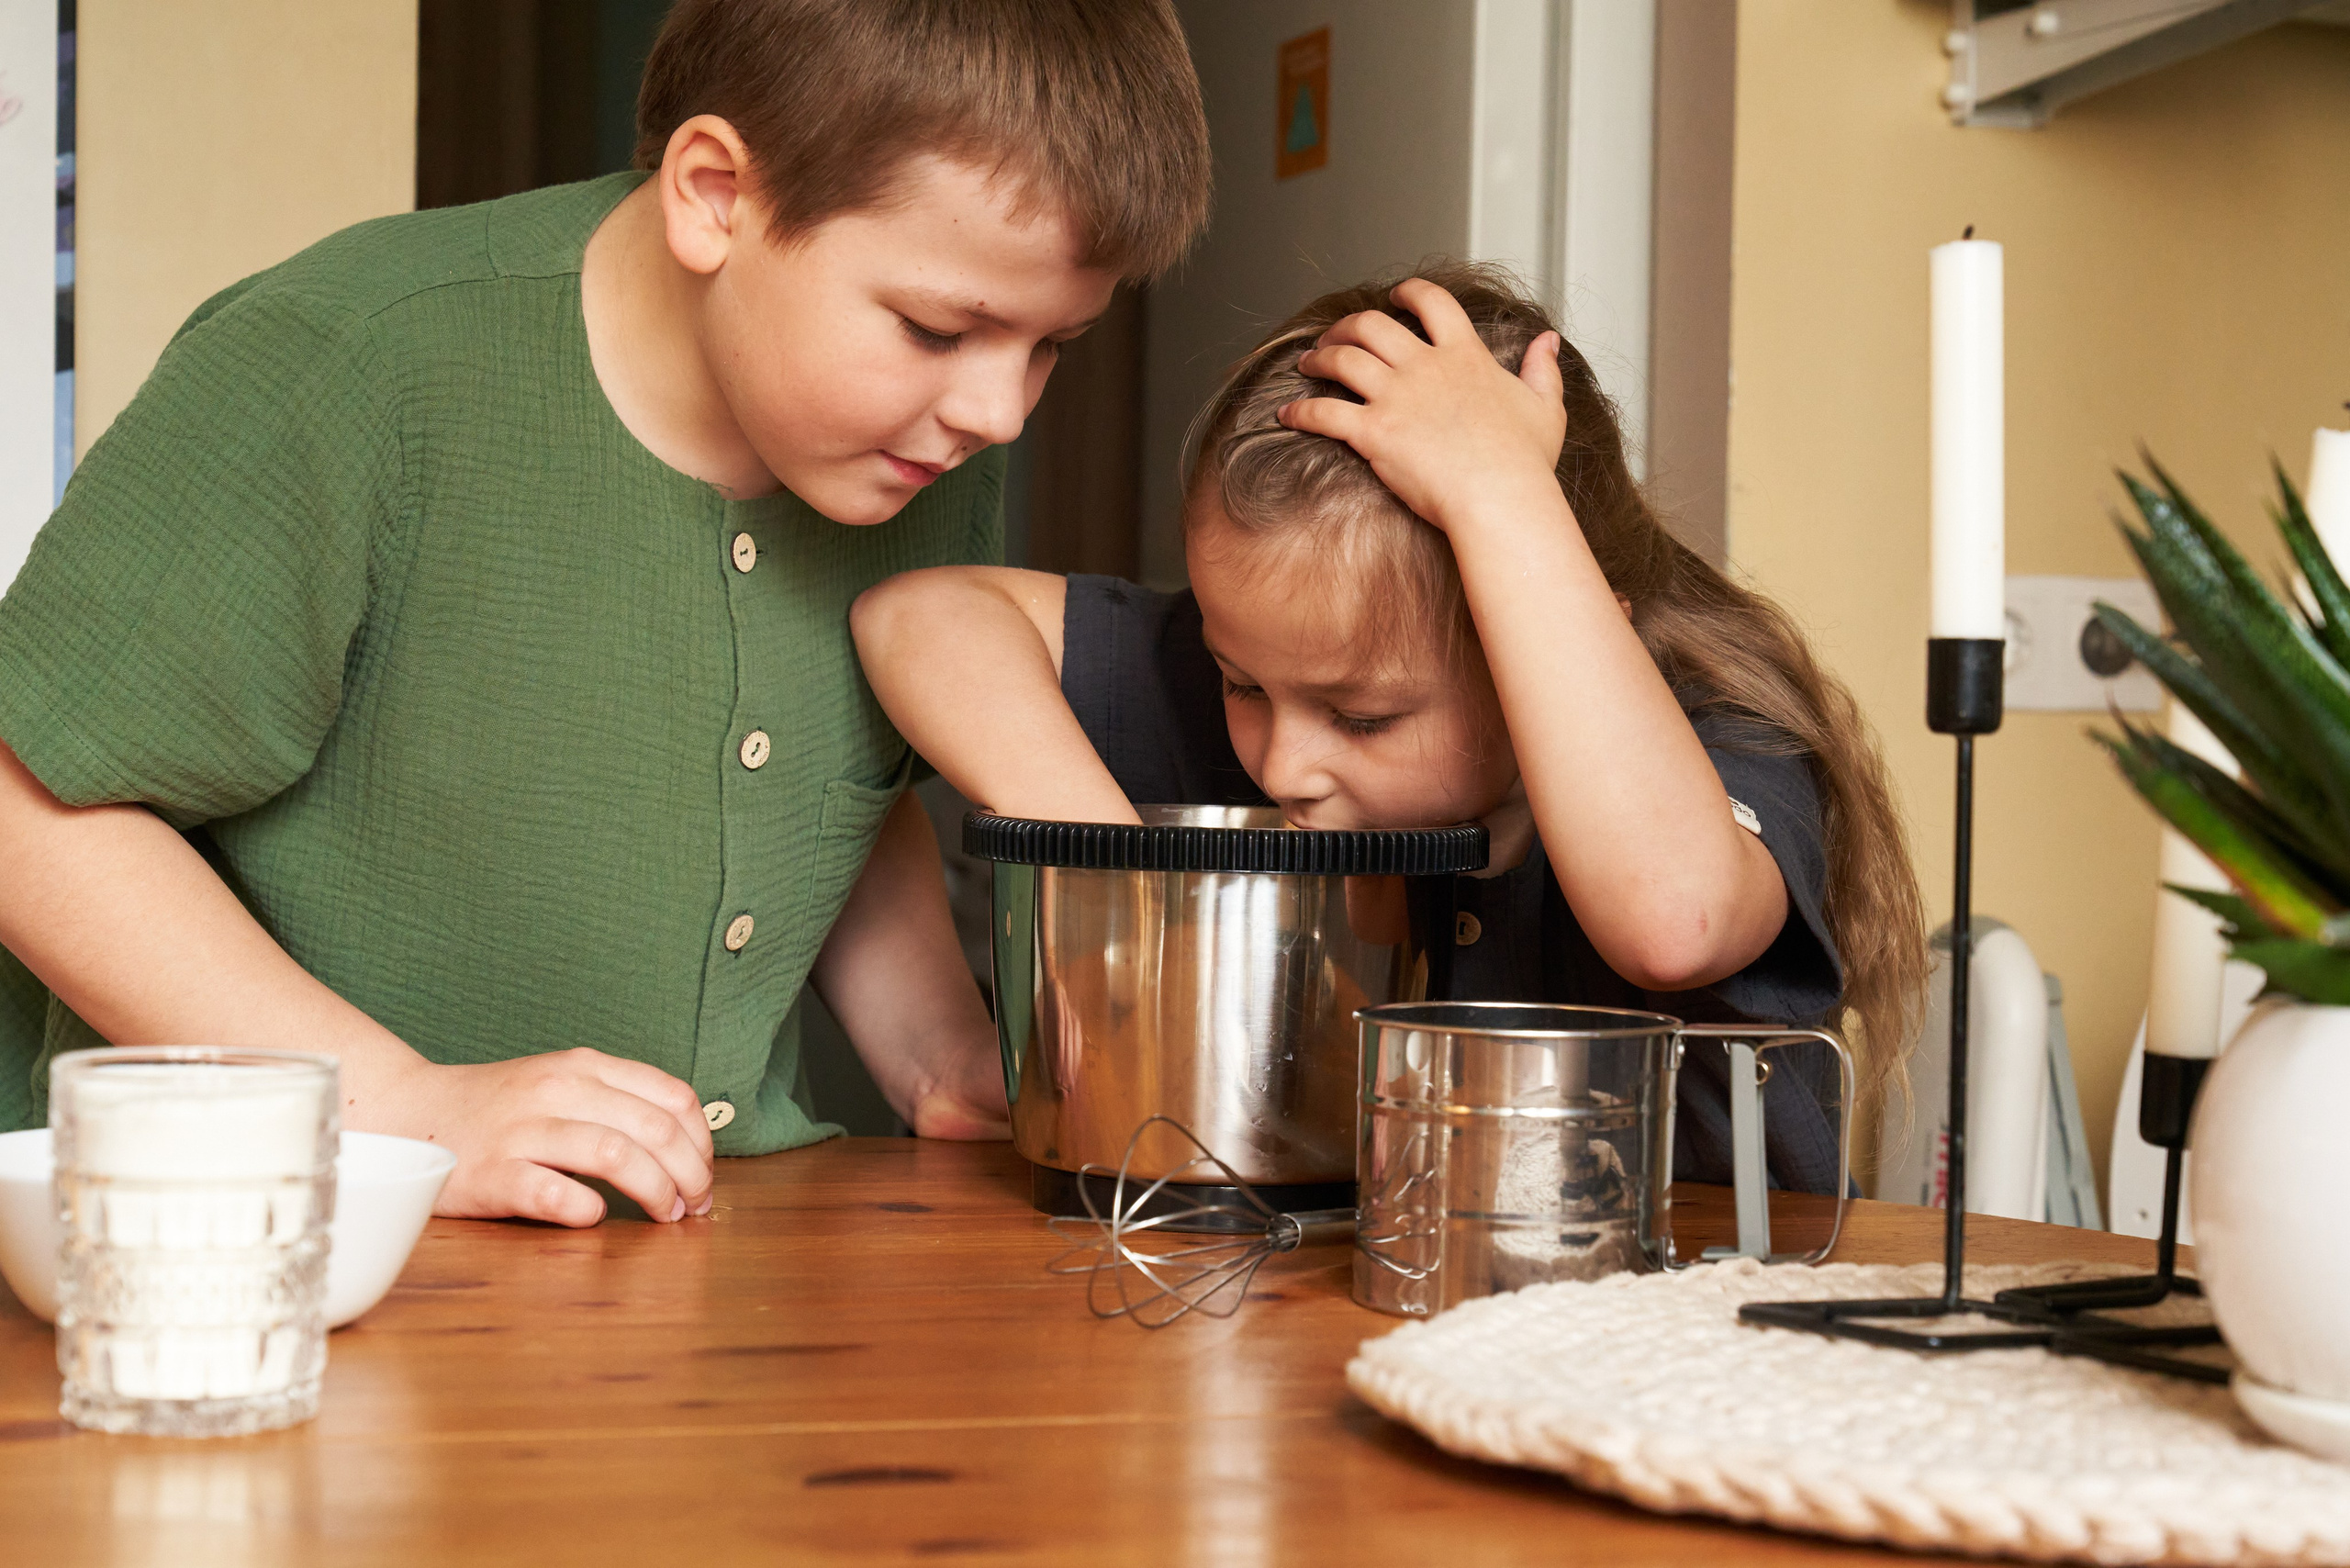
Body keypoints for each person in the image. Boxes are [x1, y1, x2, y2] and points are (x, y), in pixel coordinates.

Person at [0, 0, 1211, 1226]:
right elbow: (27, 814)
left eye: (1052, 346)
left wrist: (944, 1054)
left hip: (667, 1285)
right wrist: (408, 1108)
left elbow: (830, 787)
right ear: (716, 196)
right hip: (244, 1248)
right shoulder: (350, 361)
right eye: (939, 328)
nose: (1001, 412)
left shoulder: (915, 436)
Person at [853, 263, 1924, 1193]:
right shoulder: (1289, 669)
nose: (1284, 762)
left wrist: (1500, 498)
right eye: (1242, 684)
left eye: (1363, 717)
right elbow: (917, 618)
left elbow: (1675, 920)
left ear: (1549, 636)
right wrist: (1139, 883)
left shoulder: (1707, 742)